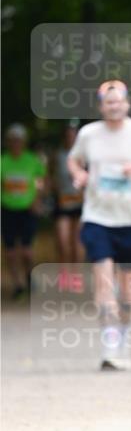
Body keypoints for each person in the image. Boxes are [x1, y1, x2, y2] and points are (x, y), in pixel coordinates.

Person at [67, 80, 131, 370]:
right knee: (103, 281)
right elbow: (73, 161)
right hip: (97, 217)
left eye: (118, 101)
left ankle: (122, 336)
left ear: (127, 104)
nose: (114, 106)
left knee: (127, 290)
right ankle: (110, 344)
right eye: (108, 102)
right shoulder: (89, 134)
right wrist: (79, 175)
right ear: (101, 106)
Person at [1, 123, 46, 299]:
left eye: (18, 140)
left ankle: (28, 276)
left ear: (23, 142)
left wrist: (37, 199)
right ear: (8, 142)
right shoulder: (3, 161)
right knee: (10, 252)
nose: (15, 143)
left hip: (28, 209)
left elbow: (40, 181)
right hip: (7, 210)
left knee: (27, 251)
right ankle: (17, 285)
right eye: (12, 140)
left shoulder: (32, 160)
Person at [50, 123, 84, 271]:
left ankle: (76, 276)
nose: (70, 138)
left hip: (80, 204)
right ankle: (64, 275)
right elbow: (49, 176)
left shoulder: (84, 156)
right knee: (63, 243)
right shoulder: (57, 155)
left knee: (77, 244)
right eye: (68, 135)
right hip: (62, 203)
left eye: (73, 135)